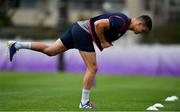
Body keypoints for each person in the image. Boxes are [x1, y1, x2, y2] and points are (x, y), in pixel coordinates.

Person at [7, 12, 152, 109]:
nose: (141, 34)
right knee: (93, 68)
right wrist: (102, 42)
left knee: (50, 51)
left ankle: (17, 45)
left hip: (78, 28)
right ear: (140, 24)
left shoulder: (124, 26)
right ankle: (84, 102)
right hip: (84, 32)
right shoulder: (122, 21)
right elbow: (98, 25)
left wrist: (103, 41)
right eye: (143, 31)